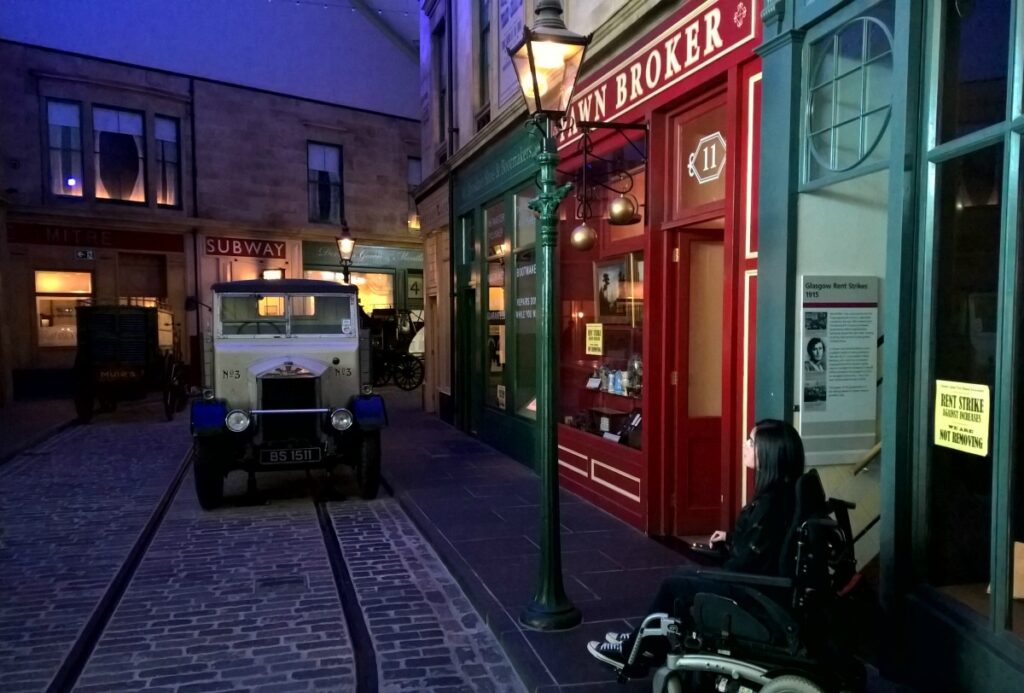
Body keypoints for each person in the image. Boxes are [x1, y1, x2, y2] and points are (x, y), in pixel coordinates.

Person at [587, 418, 806, 674]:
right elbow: (762, 549)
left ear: (769, 453)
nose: (744, 445)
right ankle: (643, 640)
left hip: (754, 594)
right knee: (684, 576)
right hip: (761, 586)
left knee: (676, 583)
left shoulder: (769, 506)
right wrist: (730, 540)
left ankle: (634, 652)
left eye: (750, 442)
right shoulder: (783, 495)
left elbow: (747, 563)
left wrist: (719, 564)